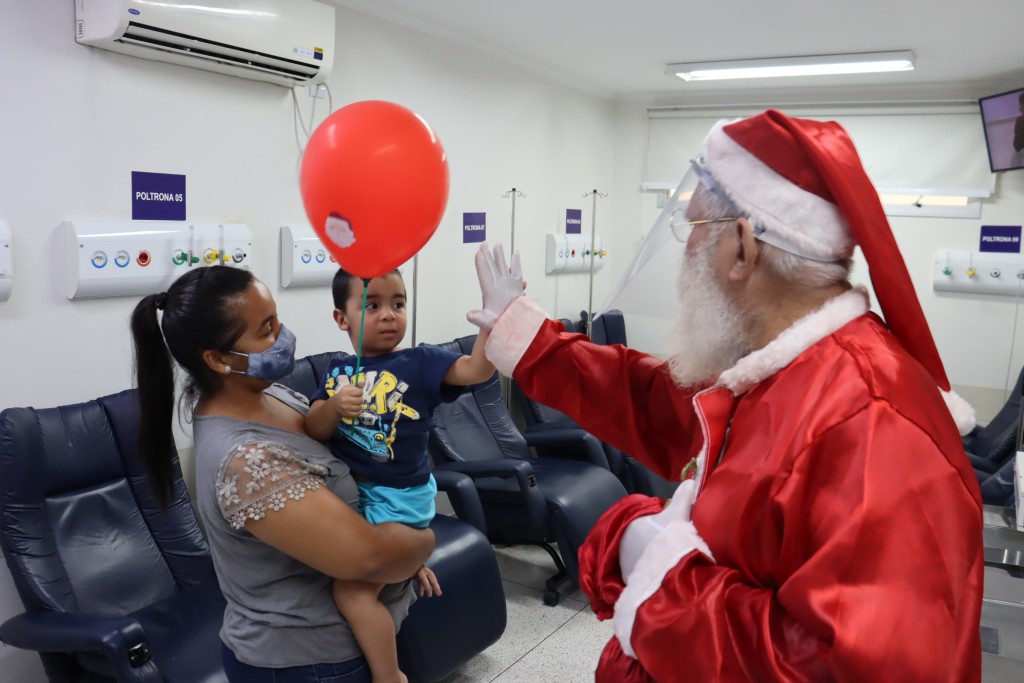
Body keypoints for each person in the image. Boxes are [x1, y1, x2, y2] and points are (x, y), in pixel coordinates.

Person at [467, 110, 985, 682]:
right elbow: (653, 399)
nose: (685, 251)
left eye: (693, 230)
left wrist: (665, 575)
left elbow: (850, 666)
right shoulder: (782, 369)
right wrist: (527, 336)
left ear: (741, 248)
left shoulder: (870, 424)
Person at [130, 265, 436, 683]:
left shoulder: (272, 392)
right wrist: (420, 542)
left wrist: (398, 540)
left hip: (351, 636)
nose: (283, 336)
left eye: (276, 319)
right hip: (308, 661)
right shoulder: (245, 460)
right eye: (266, 330)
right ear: (219, 359)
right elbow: (369, 557)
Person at [304, 267, 496, 683]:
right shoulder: (337, 370)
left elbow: (476, 371)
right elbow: (314, 428)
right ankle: (404, 564)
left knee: (350, 593)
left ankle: (390, 675)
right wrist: (334, 407)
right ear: (342, 319)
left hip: (398, 499)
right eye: (372, 306)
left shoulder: (421, 361)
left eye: (398, 304)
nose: (389, 315)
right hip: (357, 499)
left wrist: (493, 321)